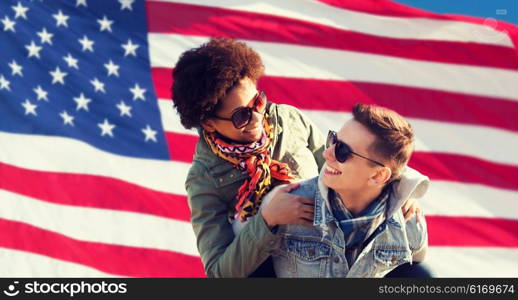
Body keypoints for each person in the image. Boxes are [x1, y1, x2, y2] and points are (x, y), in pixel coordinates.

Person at [172, 38, 423, 278]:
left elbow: (344, 166)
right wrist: (267, 221)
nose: (258, 118)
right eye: (241, 116)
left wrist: (398, 190)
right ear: (208, 122)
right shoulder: (203, 178)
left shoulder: (289, 120)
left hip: (335, 252)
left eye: (258, 102)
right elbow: (219, 272)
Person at [250, 103, 430, 277]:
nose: (327, 153)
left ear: (378, 176)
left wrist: (403, 195)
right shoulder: (286, 207)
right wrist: (266, 220)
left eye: (343, 151)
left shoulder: (409, 224)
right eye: (333, 140)